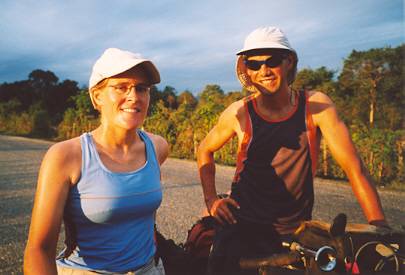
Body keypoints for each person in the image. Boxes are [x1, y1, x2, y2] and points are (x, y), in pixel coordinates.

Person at [197, 26, 389, 274]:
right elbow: (204, 149)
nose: (263, 71)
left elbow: (355, 169)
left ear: (289, 62)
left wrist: (380, 230)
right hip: (241, 225)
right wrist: (212, 200)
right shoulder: (240, 112)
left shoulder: (315, 107)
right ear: (247, 70)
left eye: (272, 61)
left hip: (295, 231)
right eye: (254, 65)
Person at [24, 48, 168, 274]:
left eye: (142, 88)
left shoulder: (158, 147)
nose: (134, 96)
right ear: (97, 96)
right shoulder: (66, 156)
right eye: (121, 87)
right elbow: (39, 249)